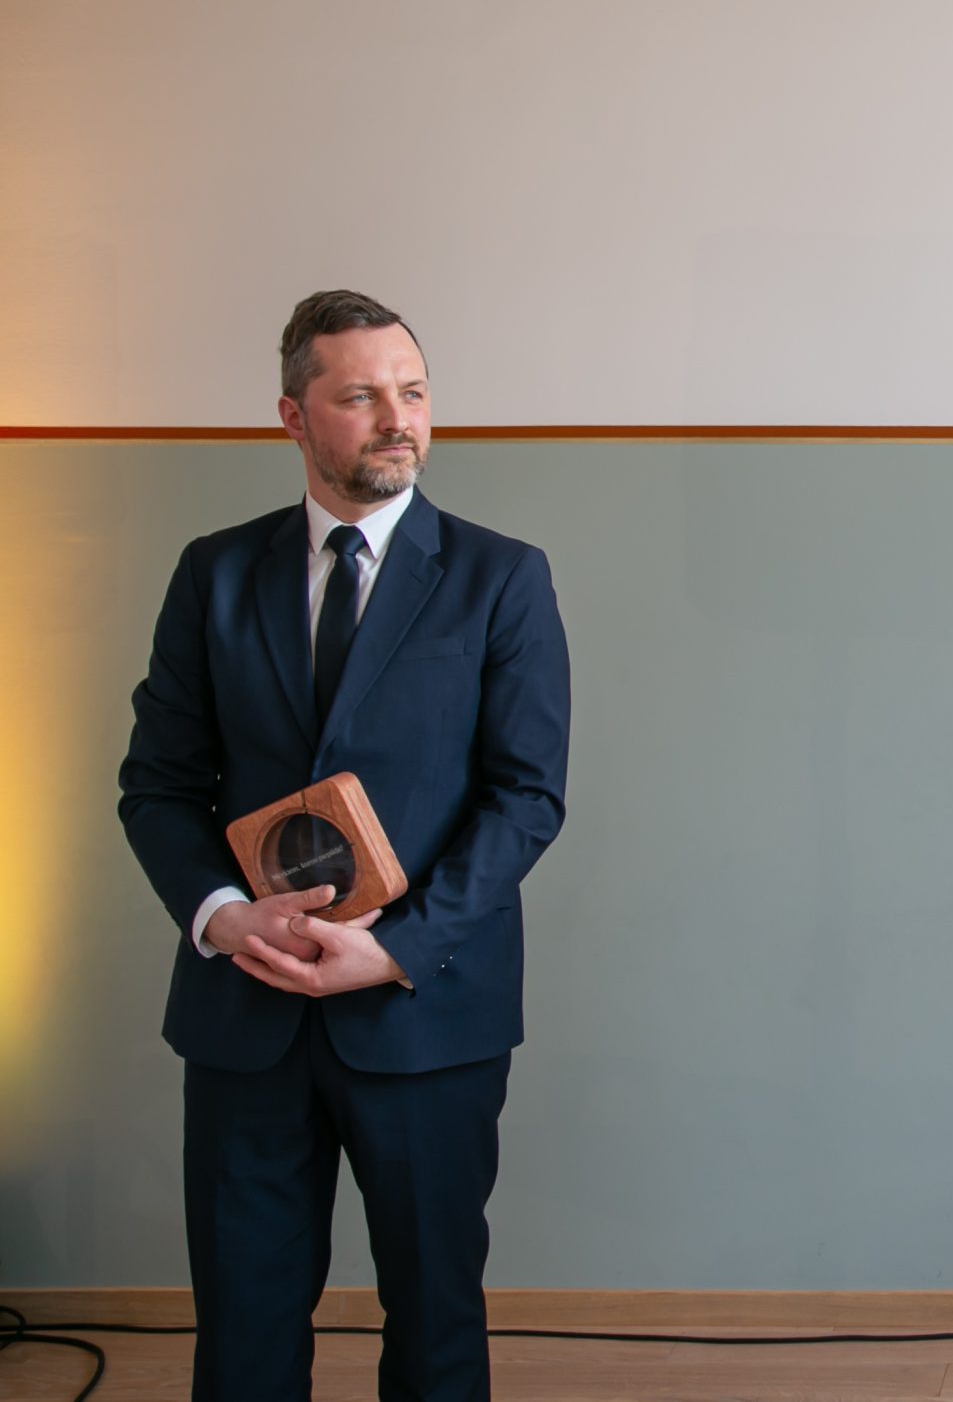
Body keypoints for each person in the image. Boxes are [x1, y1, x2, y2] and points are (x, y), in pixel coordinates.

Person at [120, 289, 573, 1402]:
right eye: (361, 395)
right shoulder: (213, 573)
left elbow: (526, 797)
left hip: (427, 1012)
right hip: (247, 1014)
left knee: (435, 1327)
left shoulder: (501, 576)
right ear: (293, 415)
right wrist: (224, 918)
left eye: (412, 392)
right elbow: (159, 787)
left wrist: (398, 946)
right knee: (244, 1331)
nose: (397, 419)